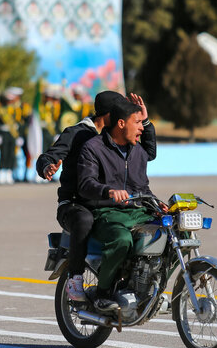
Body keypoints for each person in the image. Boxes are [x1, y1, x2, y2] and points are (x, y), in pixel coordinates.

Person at [36, 92, 156, 302]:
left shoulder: (118, 140)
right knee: (85, 220)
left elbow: (148, 153)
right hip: (76, 201)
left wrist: (145, 122)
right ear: (113, 117)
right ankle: (75, 277)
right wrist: (48, 166)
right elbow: (49, 156)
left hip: (102, 200)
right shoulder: (78, 134)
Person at [77, 100, 165, 312]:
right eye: (137, 122)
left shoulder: (138, 150)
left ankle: (153, 290)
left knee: (176, 232)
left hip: (139, 211)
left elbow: (145, 173)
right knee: (122, 240)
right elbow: (85, 183)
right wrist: (108, 190)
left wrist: (157, 204)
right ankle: (103, 293)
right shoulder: (93, 148)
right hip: (107, 212)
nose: (141, 128)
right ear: (121, 124)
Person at [0, 87, 24, 184]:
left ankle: (9, 173)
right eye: (8, 100)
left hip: (13, 134)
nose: (9, 102)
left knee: (11, 154)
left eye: (11, 100)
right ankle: (2, 173)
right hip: (3, 133)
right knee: (3, 154)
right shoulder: (1, 110)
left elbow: (20, 124)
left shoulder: (17, 111)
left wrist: (20, 136)